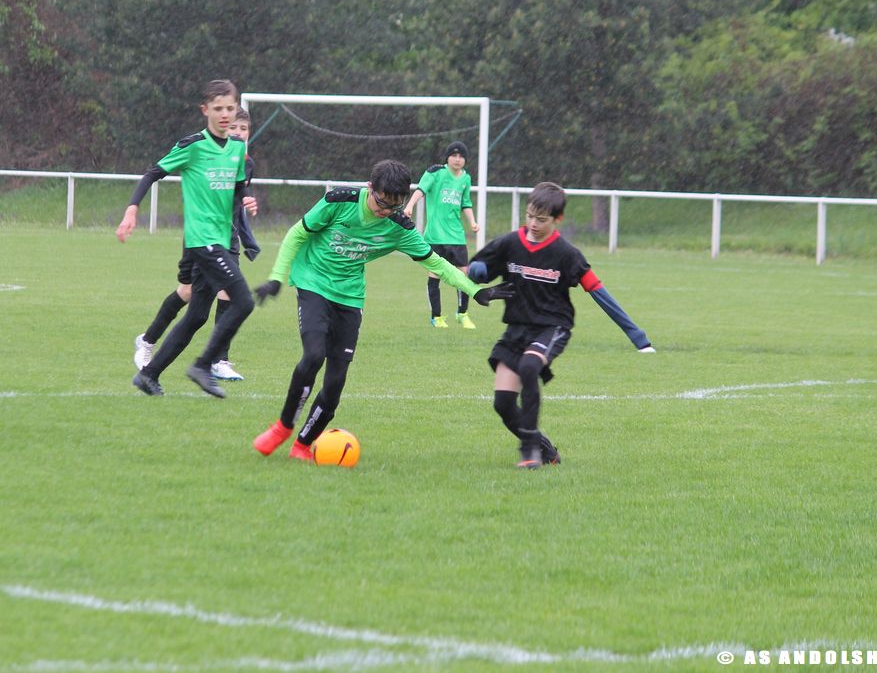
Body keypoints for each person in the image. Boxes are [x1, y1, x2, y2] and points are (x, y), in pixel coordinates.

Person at [251, 159, 509, 461]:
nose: (385, 211)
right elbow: (298, 233)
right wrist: (276, 278)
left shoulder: (399, 227)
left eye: (393, 206)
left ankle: (302, 446)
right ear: (370, 188)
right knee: (313, 356)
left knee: (335, 384)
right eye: (381, 202)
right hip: (313, 282)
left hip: (350, 297)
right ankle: (283, 428)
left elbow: (436, 263)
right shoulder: (340, 201)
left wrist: (475, 290)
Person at [467, 182, 656, 469]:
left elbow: (599, 293)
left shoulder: (566, 254)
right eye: (530, 216)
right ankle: (547, 452)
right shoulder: (509, 243)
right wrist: (478, 273)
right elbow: (477, 270)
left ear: (558, 219)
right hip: (516, 330)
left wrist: (637, 336)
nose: (533, 224)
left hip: (552, 327)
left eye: (541, 219)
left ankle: (529, 450)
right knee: (502, 404)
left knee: (530, 366)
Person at [116, 79, 255, 398]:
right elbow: (152, 173)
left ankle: (149, 375)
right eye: (218, 109)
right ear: (205, 110)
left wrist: (246, 199)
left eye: (229, 108)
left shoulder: (237, 149)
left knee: (196, 316)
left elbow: (237, 189)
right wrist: (132, 209)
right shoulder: (192, 146)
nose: (225, 114)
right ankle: (204, 365)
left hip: (222, 239)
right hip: (202, 240)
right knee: (244, 300)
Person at [403, 140, 480, 329]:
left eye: (461, 156)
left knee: (463, 275)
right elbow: (421, 189)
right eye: (454, 155)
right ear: (447, 158)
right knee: (435, 274)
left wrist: (472, 221)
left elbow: (466, 203)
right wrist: (410, 205)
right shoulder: (435, 173)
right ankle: (436, 317)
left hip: (456, 236)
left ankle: (462, 314)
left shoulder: (466, 178)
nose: (457, 159)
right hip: (436, 235)